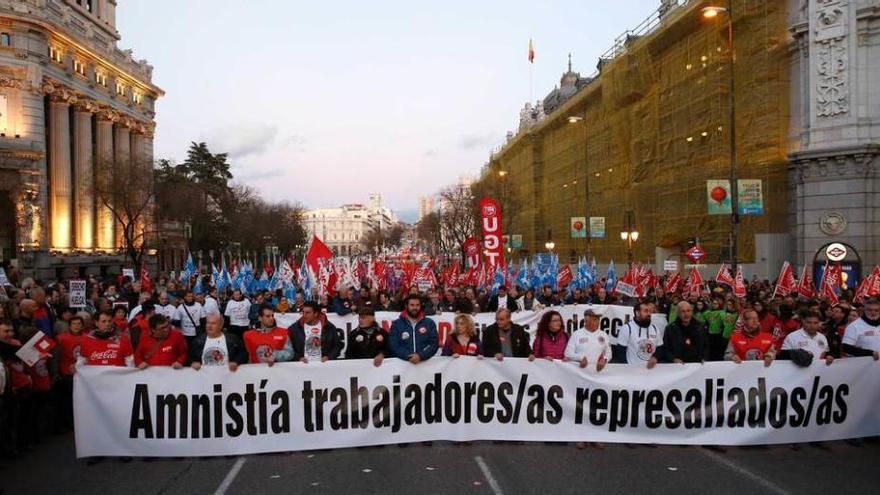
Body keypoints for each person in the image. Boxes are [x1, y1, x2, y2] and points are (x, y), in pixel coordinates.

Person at [564, 308, 611, 449]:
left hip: (597, 376)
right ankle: (580, 437)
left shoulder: (603, 335)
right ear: (586, 320)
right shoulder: (577, 334)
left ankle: (595, 437)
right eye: (594, 319)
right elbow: (568, 352)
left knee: (595, 407)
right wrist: (579, 358)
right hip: (581, 376)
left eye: (597, 319)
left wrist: (605, 359)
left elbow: (608, 352)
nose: (596, 321)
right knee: (580, 407)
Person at [53, 314, 84, 432]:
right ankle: (65, 424)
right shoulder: (61, 338)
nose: (76, 326)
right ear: (69, 326)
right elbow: (56, 357)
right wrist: (55, 372)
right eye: (74, 324)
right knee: (65, 401)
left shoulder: (87, 338)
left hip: (82, 375)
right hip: (65, 373)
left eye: (79, 324)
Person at [387, 294, 438, 364]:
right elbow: (394, 345)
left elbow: (433, 344)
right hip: (403, 367)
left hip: (425, 366)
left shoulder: (429, 323)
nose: (415, 308)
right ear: (406, 306)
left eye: (417, 305)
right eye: (412, 305)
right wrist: (409, 356)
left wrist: (420, 356)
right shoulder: (396, 324)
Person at [612, 301, 661, 368]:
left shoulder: (655, 328)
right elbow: (620, 351)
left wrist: (655, 357)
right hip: (633, 372)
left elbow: (660, 347)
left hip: (650, 371)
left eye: (650, 311)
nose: (649, 314)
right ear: (637, 313)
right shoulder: (627, 328)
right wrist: (627, 368)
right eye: (646, 311)